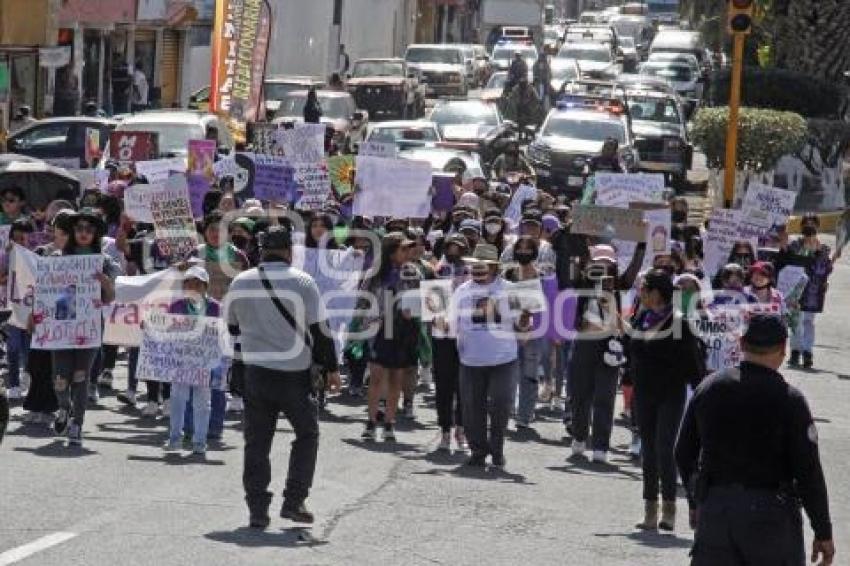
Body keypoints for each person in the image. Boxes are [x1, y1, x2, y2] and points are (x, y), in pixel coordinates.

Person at [676, 314, 835, 566]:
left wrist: (699, 498)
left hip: (718, 511)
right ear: (783, 349)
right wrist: (823, 530)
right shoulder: (790, 400)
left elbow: (683, 452)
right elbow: (808, 471)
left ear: (740, 343)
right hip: (771, 517)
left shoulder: (709, 388)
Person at [226, 225, 340, 528]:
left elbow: (233, 328)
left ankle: (257, 509)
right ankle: (293, 500)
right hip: (293, 375)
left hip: (256, 374)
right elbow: (321, 331)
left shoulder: (240, 281)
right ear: (289, 252)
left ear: (261, 251)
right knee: (307, 434)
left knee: (257, 442)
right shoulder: (303, 282)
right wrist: (332, 368)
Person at [629, 269, 704, 531]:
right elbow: (634, 353)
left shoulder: (680, 322)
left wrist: (702, 394)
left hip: (670, 393)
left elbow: (694, 363)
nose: (641, 294)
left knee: (665, 448)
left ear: (657, 293)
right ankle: (650, 508)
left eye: (645, 289)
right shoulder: (641, 317)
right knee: (647, 450)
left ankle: (669, 508)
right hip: (644, 392)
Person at [453, 243, 529, 468]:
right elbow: (449, 323)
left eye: (483, 266)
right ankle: (478, 450)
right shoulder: (462, 291)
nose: (478, 270)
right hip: (470, 360)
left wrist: (525, 318)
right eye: (476, 265)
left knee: (501, 405)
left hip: (503, 359)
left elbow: (523, 327)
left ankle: (497, 450)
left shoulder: (510, 290)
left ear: (494, 268)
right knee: (471, 408)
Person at [49, 209, 119, 447]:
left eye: (89, 229)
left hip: (89, 324)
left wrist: (105, 283)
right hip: (63, 321)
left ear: (96, 233)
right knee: (60, 378)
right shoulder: (58, 257)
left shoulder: (104, 261)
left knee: (80, 376)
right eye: (78, 228)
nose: (83, 233)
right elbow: (45, 294)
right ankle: (63, 409)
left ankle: (77, 423)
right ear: (72, 231)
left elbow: (110, 298)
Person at [357, 232, 420, 441]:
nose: (408, 252)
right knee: (376, 376)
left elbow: (421, 301)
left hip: (403, 329)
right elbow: (362, 302)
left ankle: (390, 423)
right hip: (379, 329)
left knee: (396, 377)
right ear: (390, 251)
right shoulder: (374, 273)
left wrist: (413, 310)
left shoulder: (413, 272)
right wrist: (371, 320)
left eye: (409, 248)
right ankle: (371, 421)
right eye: (403, 248)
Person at [166, 266, 221, 455]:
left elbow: (221, 335)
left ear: (206, 286)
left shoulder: (215, 307)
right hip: (181, 361)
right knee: (177, 400)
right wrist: (149, 326)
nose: (193, 287)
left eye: (198, 283)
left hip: (204, 363)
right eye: (189, 283)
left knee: (202, 403)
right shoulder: (175, 306)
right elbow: (165, 330)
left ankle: (199, 441)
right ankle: (174, 438)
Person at [777, 214, 833, 369]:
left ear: (817, 228)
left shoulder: (823, 248)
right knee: (796, 321)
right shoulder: (795, 245)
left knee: (808, 322)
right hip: (796, 288)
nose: (809, 228)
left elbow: (825, 269)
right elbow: (785, 260)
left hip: (813, 291)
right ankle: (795, 351)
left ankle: (807, 351)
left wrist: (827, 263)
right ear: (801, 228)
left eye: (812, 225)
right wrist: (783, 245)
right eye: (806, 225)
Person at [432, 234, 470, 451]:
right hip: (441, 335)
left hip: (465, 335)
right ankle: (445, 429)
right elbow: (430, 301)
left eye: (459, 247)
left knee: (463, 385)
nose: (454, 251)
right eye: (450, 247)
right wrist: (437, 317)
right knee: (444, 386)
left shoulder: (472, 271)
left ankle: (461, 429)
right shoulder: (437, 270)